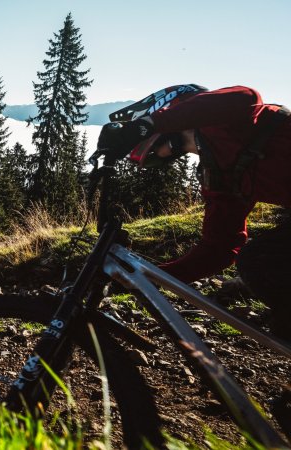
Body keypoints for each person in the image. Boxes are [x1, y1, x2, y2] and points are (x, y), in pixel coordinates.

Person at [97, 84, 291, 340]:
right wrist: (145, 279)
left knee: (260, 259)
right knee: (263, 270)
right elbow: (218, 250)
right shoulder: (221, 178)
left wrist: (150, 123)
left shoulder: (237, 117)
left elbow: (242, 98)